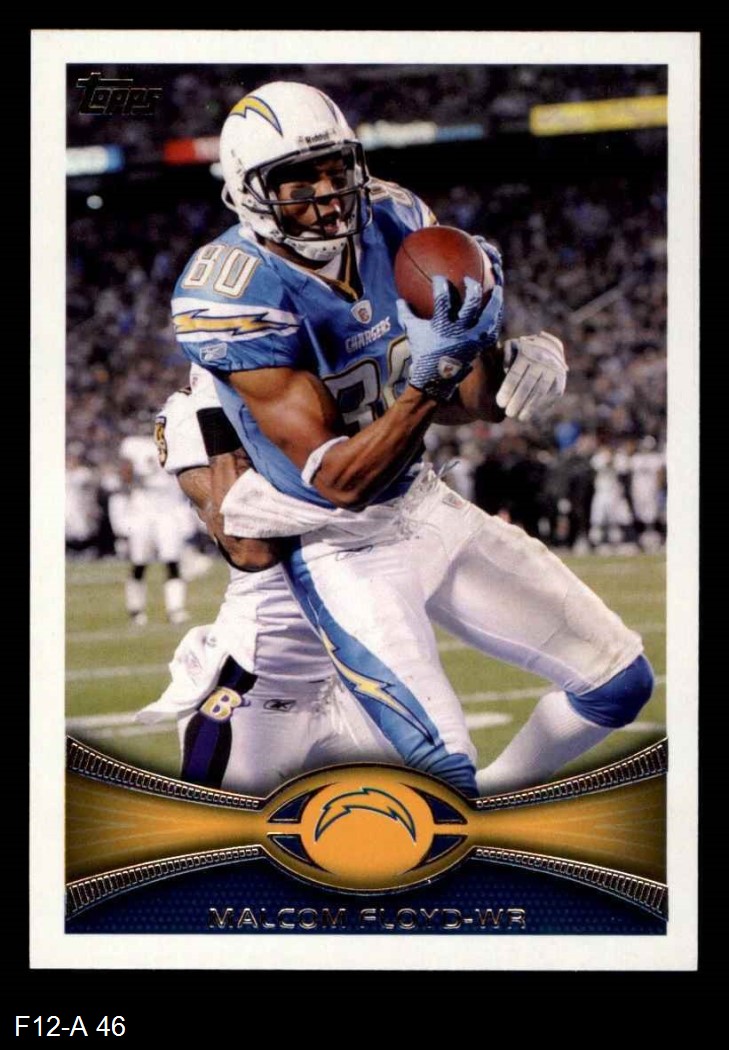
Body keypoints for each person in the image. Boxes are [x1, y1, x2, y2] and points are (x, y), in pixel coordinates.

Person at [172, 81, 653, 797]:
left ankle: (497, 802)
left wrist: (513, 356)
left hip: (420, 501)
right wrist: (429, 380)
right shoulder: (233, 290)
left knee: (619, 682)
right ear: (248, 191)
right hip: (340, 545)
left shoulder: (396, 217)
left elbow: (471, 400)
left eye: (335, 169)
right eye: (298, 181)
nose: (328, 196)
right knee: (441, 773)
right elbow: (337, 479)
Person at [136, 363, 398, 795]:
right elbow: (249, 549)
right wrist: (220, 420)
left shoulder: (332, 376)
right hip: (259, 682)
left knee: (411, 824)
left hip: (351, 681)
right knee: (218, 834)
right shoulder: (196, 411)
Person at [108, 430, 192, 625]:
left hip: (168, 507)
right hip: (144, 509)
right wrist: (135, 478)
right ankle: (136, 610)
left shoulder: (174, 438)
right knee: (140, 562)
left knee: (171, 560)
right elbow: (125, 474)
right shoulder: (134, 443)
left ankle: (175, 609)